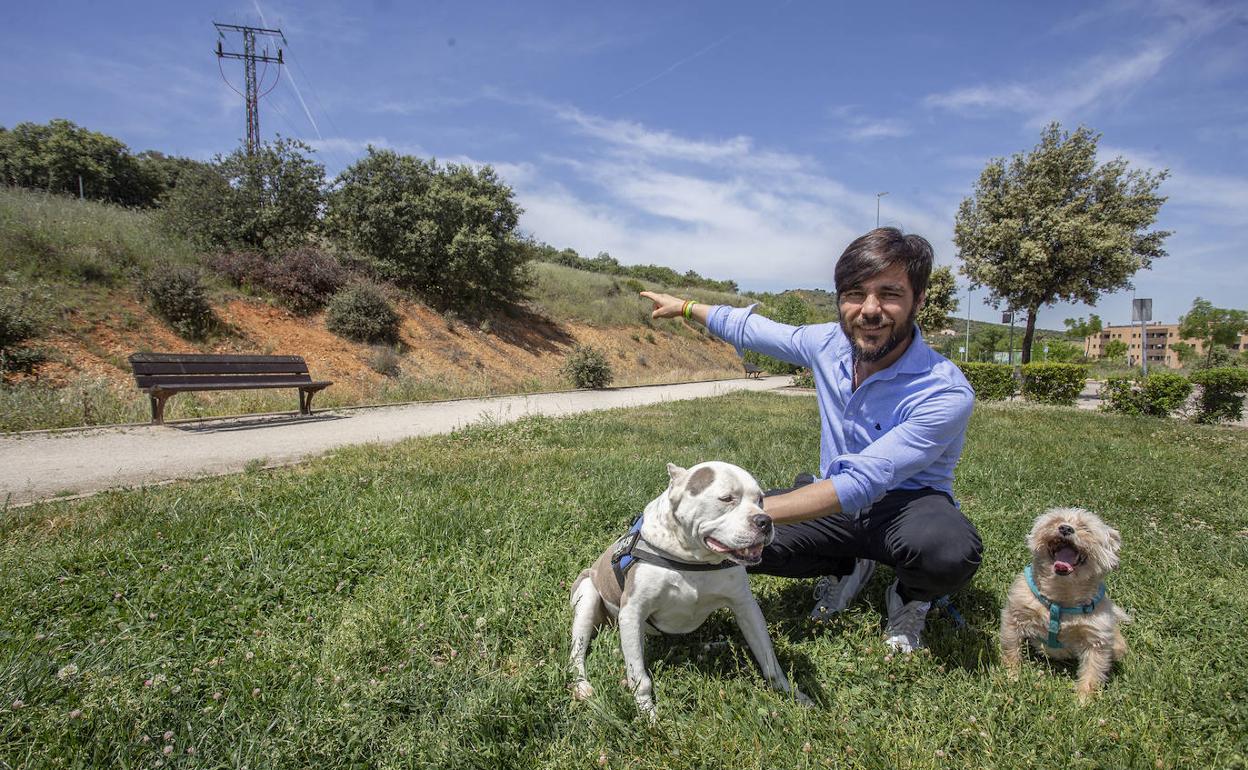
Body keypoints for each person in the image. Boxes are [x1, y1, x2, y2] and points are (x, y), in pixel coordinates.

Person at [641, 227, 981, 652]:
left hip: (907, 506)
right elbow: (753, 329)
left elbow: (864, 482)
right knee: (747, 549)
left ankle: (910, 597)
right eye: (855, 293)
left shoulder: (944, 390)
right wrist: (688, 306)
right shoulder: (828, 343)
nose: (870, 310)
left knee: (947, 552)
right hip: (832, 502)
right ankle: (846, 565)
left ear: (919, 300)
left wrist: (740, 516)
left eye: (889, 293)